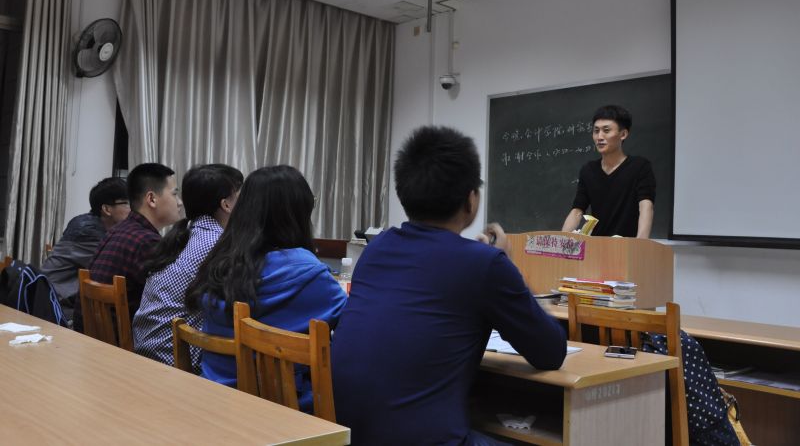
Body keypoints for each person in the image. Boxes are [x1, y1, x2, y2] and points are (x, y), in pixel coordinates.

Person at [331, 126, 566, 446]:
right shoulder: (485, 264)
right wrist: (507, 266)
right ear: (471, 199)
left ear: (404, 193)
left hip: (350, 437)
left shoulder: (378, 248)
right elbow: (550, 352)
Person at [185, 165, 347, 412]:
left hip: (215, 399)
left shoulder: (220, 263)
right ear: (297, 212)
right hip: (283, 410)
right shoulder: (308, 274)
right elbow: (353, 326)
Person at [132, 164, 243, 371]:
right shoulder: (218, 244)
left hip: (145, 352)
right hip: (172, 364)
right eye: (240, 197)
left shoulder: (185, 234)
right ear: (226, 204)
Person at [81, 163, 183, 328]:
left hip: (90, 336)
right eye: (174, 194)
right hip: (123, 341)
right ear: (151, 199)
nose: (179, 202)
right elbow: (173, 300)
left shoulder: (118, 231)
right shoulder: (147, 242)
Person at [40, 177, 129, 322]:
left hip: (56, 298)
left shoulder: (92, 224)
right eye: (126, 203)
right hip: (55, 307)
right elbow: (115, 269)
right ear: (107, 209)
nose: (132, 209)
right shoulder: (88, 232)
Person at [561, 105, 655, 238]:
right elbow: (577, 211)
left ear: (623, 134)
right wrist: (561, 241)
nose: (599, 137)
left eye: (606, 130)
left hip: (627, 245)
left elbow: (646, 207)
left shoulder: (640, 167)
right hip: (597, 245)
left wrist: (640, 244)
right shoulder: (588, 170)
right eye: (596, 131)